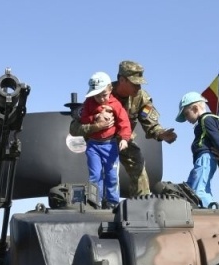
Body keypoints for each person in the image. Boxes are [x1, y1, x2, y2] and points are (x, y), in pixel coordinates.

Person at [69, 60, 177, 196]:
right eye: (134, 83)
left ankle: (141, 203)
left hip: (122, 140)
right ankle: (95, 201)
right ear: (122, 80)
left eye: (140, 83)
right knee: (98, 173)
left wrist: (160, 133)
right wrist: (96, 125)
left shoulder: (141, 98)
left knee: (137, 163)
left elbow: (149, 121)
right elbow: (74, 128)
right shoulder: (102, 92)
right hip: (98, 142)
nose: (138, 87)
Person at [78, 72, 132, 208]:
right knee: (95, 174)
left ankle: (112, 202)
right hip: (93, 146)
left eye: (104, 95)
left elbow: (124, 122)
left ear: (110, 90)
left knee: (111, 175)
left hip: (110, 145)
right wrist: (96, 117)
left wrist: (124, 139)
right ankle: (94, 201)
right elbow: (84, 119)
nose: (101, 99)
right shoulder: (89, 103)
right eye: (97, 95)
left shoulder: (116, 104)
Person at [175, 92, 219, 207]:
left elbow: (215, 136)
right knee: (195, 187)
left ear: (195, 108)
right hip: (203, 159)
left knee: (198, 191)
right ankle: (209, 207)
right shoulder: (204, 120)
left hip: (205, 158)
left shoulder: (206, 119)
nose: (186, 119)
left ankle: (210, 213)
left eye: (186, 114)